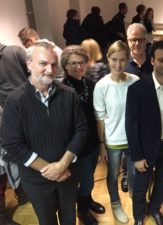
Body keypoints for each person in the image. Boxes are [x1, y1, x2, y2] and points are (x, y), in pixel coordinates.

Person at [0, 42, 88, 225]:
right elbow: (13, 145)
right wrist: (49, 169)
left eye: (54, 64)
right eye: (43, 64)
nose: (50, 69)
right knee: (47, 221)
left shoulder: (69, 95)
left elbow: (81, 130)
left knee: (69, 219)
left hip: (68, 175)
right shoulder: (14, 101)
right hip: (36, 181)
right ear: (29, 63)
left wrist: (62, 165)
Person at [125, 40, 163, 225]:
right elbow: (131, 125)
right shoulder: (137, 89)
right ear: (152, 61)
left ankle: (155, 209)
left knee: (162, 183)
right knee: (140, 186)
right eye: (161, 60)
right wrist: (136, 156)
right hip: (145, 148)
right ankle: (138, 217)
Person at [93, 40, 139, 224]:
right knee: (112, 175)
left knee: (134, 173)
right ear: (108, 59)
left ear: (128, 59)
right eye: (114, 59)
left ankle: (137, 200)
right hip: (113, 140)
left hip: (133, 139)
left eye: (122, 60)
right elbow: (100, 118)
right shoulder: (102, 86)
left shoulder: (135, 81)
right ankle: (115, 203)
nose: (118, 64)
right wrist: (102, 145)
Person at [61, 46, 105, 225]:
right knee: (86, 180)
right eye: (73, 63)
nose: (79, 67)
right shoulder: (62, 88)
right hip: (78, 146)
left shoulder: (90, 83)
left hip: (93, 142)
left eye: (82, 62)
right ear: (65, 66)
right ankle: (82, 210)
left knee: (90, 176)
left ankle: (88, 199)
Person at [0, 43, 29, 225]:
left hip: (25, 109)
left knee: (25, 151)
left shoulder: (15, 51)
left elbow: (32, 71)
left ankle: (25, 191)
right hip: (5, 116)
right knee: (9, 157)